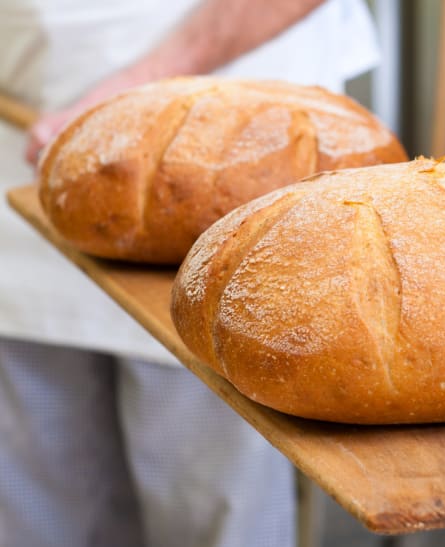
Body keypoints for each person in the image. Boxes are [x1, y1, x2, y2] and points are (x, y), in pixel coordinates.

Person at [0, 1, 380, 545]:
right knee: (39, 510)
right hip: (15, 152)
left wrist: (139, 92)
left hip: (235, 150)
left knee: (210, 514)